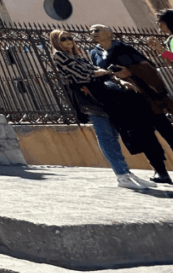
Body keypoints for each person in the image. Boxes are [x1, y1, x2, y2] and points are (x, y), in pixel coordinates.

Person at [50, 30, 161, 189]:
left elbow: (94, 70)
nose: (69, 41)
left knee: (113, 136)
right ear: (56, 42)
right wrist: (103, 72)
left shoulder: (76, 55)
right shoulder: (59, 56)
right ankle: (122, 175)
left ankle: (125, 172)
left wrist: (109, 74)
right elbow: (83, 74)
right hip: (92, 100)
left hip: (103, 97)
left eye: (70, 38)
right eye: (63, 39)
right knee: (106, 136)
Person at [89, 24, 173, 184]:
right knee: (144, 136)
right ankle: (161, 172)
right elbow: (98, 74)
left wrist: (130, 72)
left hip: (147, 97)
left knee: (166, 130)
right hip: (126, 100)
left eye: (97, 30)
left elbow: (148, 67)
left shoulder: (125, 48)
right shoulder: (94, 53)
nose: (93, 33)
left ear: (109, 33)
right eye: (91, 31)